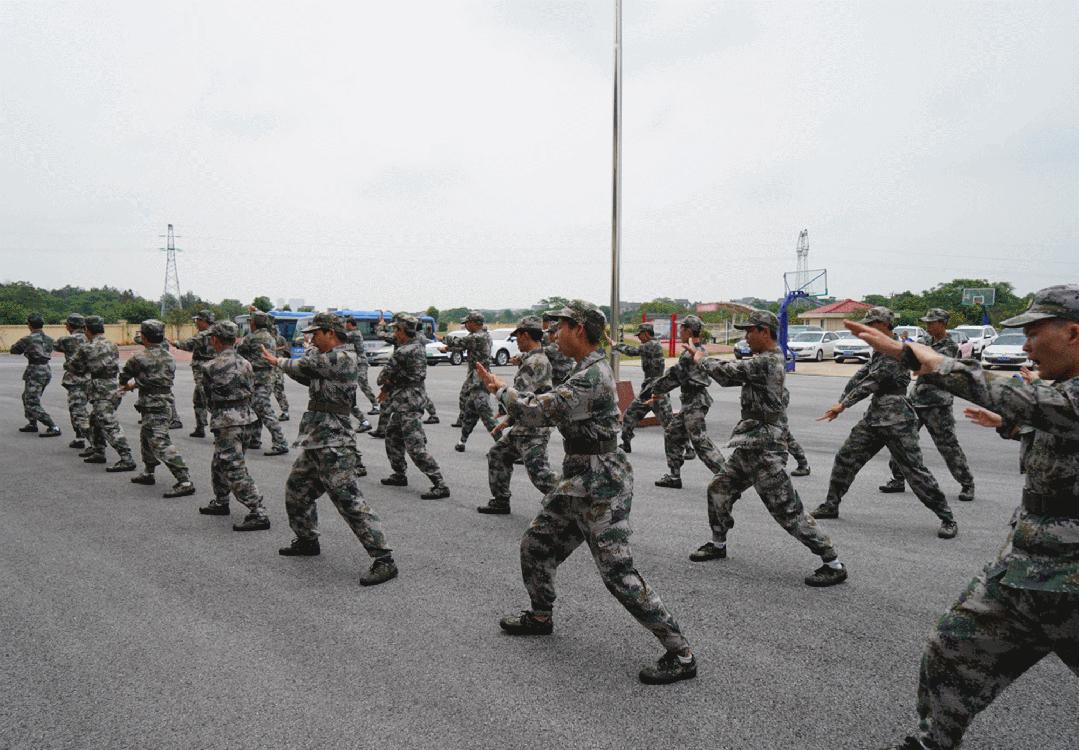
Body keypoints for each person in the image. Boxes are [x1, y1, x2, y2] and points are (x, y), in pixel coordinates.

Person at [848, 285, 1079, 750]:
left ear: (1073, 332)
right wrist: (1011, 424)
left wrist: (924, 359)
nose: (1027, 345)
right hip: (1026, 566)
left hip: (1071, 578)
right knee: (954, 644)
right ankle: (934, 741)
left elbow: (1047, 409)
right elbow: (1050, 418)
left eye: (1034, 333)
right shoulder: (1060, 390)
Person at [477, 300, 697, 685]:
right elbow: (553, 407)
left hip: (601, 484)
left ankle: (681, 653)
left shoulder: (592, 375)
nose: (554, 333)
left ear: (579, 329)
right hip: (578, 479)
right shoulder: (582, 369)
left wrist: (500, 390)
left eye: (559, 326)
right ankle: (541, 615)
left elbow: (537, 411)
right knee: (536, 544)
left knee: (617, 573)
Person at [683, 310, 847, 587]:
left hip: (765, 449)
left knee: (787, 510)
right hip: (750, 445)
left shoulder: (768, 361)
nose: (746, 336)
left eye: (749, 331)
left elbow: (728, 374)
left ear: (764, 331)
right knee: (719, 489)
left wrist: (701, 358)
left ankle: (833, 562)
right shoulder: (763, 360)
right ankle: (718, 543)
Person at [262, 313, 397, 585]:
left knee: (349, 500)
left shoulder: (343, 358)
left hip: (335, 441)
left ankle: (384, 559)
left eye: (316, 333)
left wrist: (279, 361)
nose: (311, 338)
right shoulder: (324, 362)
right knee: (296, 490)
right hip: (316, 438)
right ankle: (307, 539)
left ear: (330, 333)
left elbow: (305, 365)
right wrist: (289, 363)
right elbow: (306, 375)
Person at [811, 307, 958, 540]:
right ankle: (831, 504)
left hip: (897, 419)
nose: (868, 328)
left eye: (872, 324)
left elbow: (873, 381)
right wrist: (840, 399)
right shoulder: (880, 349)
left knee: (914, 470)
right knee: (846, 457)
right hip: (875, 417)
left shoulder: (896, 351)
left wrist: (843, 405)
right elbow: (862, 374)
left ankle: (947, 517)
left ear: (884, 324)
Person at [880, 308, 975, 503]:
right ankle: (898, 479)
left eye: (932, 323)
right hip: (916, 401)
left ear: (942, 323)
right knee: (900, 440)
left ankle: (967, 483)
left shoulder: (949, 346)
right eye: (927, 322)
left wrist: (915, 358)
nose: (928, 326)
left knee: (948, 446)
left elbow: (933, 366)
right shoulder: (925, 342)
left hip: (938, 404)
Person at [479, 316, 559, 515]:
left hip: (533, 428)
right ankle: (500, 501)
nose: (517, 342)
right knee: (498, 454)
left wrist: (497, 388)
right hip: (526, 425)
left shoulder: (534, 362)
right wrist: (509, 421)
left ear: (525, 335)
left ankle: (574, 499)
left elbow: (520, 400)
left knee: (541, 476)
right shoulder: (535, 359)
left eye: (517, 338)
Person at [197, 320, 270, 531]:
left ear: (215, 340)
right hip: (247, 418)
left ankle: (259, 511)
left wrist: (220, 412)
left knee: (234, 468)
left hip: (227, 422)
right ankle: (221, 501)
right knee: (219, 462)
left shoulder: (210, 366)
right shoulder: (246, 363)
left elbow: (206, 398)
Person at [639, 315, 726, 489]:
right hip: (691, 401)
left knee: (700, 442)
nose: (679, 331)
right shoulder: (698, 349)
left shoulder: (689, 355)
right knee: (672, 433)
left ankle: (728, 476)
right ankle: (674, 476)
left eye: (681, 328)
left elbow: (673, 377)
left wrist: (653, 391)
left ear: (688, 330)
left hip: (695, 401)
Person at [119, 320, 196, 498]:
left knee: (159, 441)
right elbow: (156, 378)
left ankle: (184, 480)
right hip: (164, 401)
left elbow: (125, 375)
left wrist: (125, 385)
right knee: (146, 437)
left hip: (152, 404)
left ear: (144, 337)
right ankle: (148, 472)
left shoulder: (138, 357)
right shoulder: (169, 357)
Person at [378, 313, 450, 499]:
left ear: (404, 331)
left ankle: (440, 484)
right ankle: (399, 474)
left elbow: (382, 377)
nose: (394, 333)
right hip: (411, 399)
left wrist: (386, 384)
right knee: (392, 436)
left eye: (396, 329)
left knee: (415, 447)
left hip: (407, 404)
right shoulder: (417, 345)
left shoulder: (403, 351)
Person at [69, 315, 136, 471]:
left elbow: (74, 367)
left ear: (87, 329)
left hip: (101, 389)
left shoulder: (87, 347)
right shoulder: (112, 344)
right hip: (114, 386)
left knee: (109, 424)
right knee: (94, 421)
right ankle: (98, 451)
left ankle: (127, 458)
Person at [608, 322, 672, 453]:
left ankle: (688, 448)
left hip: (656, 389)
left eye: (640, 335)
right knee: (629, 415)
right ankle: (626, 443)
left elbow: (632, 351)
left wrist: (616, 345)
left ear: (646, 334)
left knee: (669, 422)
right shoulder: (652, 344)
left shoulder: (651, 345)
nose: (639, 337)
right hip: (649, 389)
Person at [441, 310, 496, 451]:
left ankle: (507, 446)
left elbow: (458, 342)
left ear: (473, 323)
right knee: (470, 411)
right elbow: (462, 345)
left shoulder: (477, 337)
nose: (465, 325)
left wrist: (443, 339)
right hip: (475, 378)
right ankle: (462, 442)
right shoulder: (484, 335)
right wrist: (448, 348)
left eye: (467, 323)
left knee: (486, 414)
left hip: (480, 380)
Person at [237, 309, 289, 455]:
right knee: (257, 408)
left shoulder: (251, 337)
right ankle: (255, 439)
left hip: (258, 379)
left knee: (265, 411)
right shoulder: (270, 337)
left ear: (253, 323)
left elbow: (238, 351)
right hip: (267, 378)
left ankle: (281, 442)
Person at [10, 313, 61, 437]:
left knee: (32, 402)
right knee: (27, 397)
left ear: (29, 325)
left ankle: (53, 426)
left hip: (35, 370)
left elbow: (14, 350)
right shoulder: (49, 339)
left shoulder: (28, 339)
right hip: (46, 369)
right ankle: (32, 423)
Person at [172, 310, 217, 438]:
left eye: (197, 320)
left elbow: (187, 345)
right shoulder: (218, 331)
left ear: (204, 321)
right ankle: (200, 427)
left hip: (204, 371)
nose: (196, 323)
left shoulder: (204, 334)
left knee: (208, 400)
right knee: (198, 399)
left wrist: (176, 343)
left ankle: (220, 431)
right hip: (214, 369)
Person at [53, 313, 92, 448]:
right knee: (82, 410)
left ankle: (95, 444)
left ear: (69, 325)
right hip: (92, 379)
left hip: (76, 380)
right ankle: (79, 438)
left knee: (77, 412)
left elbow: (55, 346)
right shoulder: (90, 338)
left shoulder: (66, 339)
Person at [343, 316, 378, 427]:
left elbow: (342, 337)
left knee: (363, 384)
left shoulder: (355, 333)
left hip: (361, 362)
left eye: (346, 323)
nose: (345, 325)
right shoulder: (351, 334)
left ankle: (376, 405)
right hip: (353, 363)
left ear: (350, 324)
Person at [270, 316, 291, 421]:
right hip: (275, 368)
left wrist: (276, 349)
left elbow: (286, 348)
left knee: (276, 391)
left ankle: (285, 412)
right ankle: (285, 412)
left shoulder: (276, 339)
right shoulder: (272, 339)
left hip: (275, 368)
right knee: (278, 391)